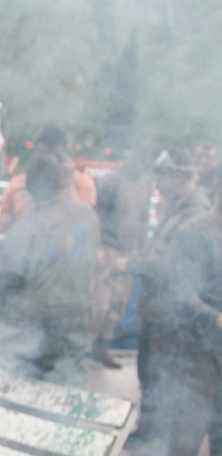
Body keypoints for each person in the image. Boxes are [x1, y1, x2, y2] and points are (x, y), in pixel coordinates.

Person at [138, 157, 222, 456]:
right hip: (193, 356)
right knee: (182, 446)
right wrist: (215, 317)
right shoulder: (197, 233)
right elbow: (181, 294)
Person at [0, 152, 100, 386]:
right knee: (66, 389)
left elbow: (7, 278)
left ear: (30, 190)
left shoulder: (26, 227)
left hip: (31, 324)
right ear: (62, 183)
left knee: (2, 375)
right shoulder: (87, 217)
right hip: (74, 322)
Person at [129, 150, 216, 454]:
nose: (157, 182)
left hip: (170, 312)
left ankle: (154, 437)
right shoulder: (176, 208)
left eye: (162, 175)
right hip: (157, 308)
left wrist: (131, 264)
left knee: (159, 374)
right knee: (149, 371)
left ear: (180, 176)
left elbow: (171, 266)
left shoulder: (194, 214)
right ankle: (148, 431)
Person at [90, 144, 157, 368]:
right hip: (107, 247)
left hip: (128, 251)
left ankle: (102, 348)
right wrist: (98, 246)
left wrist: (142, 247)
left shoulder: (146, 183)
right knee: (99, 301)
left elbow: (143, 216)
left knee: (118, 304)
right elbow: (97, 213)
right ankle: (84, 347)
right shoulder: (112, 179)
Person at [0, 125, 96, 237]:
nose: (49, 160)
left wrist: (67, 182)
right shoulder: (18, 183)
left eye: (55, 155)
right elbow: (1, 232)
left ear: (66, 156)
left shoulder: (82, 183)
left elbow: (84, 227)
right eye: (44, 154)